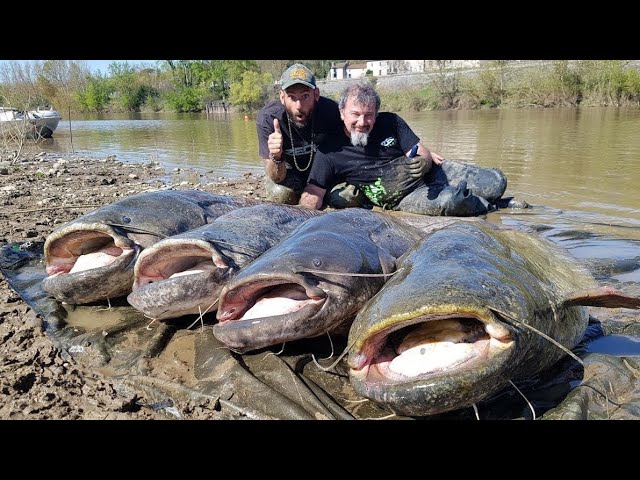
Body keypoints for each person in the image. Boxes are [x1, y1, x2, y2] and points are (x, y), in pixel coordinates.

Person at [299, 82, 508, 216]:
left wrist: (424, 161)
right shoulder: (329, 151)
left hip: (436, 173)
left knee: (496, 182)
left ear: (377, 113)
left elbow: (419, 150)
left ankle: (496, 199)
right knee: (452, 201)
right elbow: (314, 192)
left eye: (369, 114)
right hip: (405, 197)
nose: (362, 122)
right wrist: (299, 215)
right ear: (342, 112)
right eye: (355, 114)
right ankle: (492, 207)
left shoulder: (391, 122)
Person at [256, 64, 433, 207]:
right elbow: (276, 176)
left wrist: (423, 154)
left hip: (323, 171)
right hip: (288, 173)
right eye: (292, 97)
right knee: (282, 195)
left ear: (316, 95)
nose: (298, 106)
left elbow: (359, 132)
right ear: (281, 97)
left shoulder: (332, 110)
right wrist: (276, 156)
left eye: (305, 96)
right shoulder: (268, 119)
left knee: (347, 198)